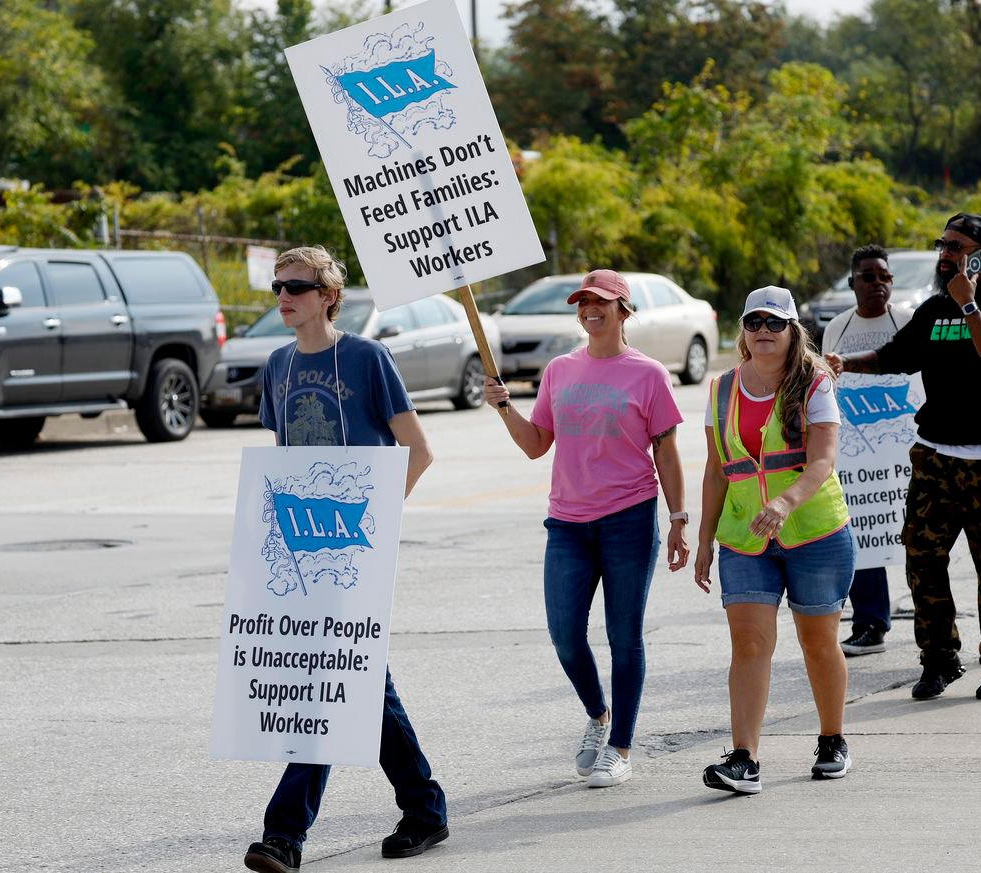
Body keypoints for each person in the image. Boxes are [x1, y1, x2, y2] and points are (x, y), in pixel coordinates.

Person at [243, 246, 447, 873]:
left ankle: (284, 835)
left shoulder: (366, 358)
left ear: (328, 295)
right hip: (299, 550)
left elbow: (418, 448)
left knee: (328, 683)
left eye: (298, 286)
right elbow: (283, 463)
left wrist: (374, 523)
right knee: (357, 683)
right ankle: (425, 809)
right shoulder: (276, 366)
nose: (285, 295)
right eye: (278, 286)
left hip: (354, 545)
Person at [483, 268, 689, 789]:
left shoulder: (647, 374)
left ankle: (620, 746)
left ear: (623, 310)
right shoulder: (559, 370)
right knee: (565, 634)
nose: (589, 310)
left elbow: (665, 450)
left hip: (629, 517)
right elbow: (536, 444)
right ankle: (598, 717)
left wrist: (679, 520)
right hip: (569, 524)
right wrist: (505, 407)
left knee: (624, 636)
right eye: (582, 302)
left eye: (600, 301)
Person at [826, 213, 981, 701]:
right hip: (937, 459)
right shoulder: (933, 308)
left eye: (957, 247)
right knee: (923, 560)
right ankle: (939, 660)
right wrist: (848, 363)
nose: (945, 254)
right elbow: (897, 354)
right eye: (942, 244)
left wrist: (969, 306)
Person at [695, 286, 855, 796]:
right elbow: (717, 470)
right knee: (748, 645)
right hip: (745, 537)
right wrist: (703, 539)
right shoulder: (721, 389)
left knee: (818, 642)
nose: (763, 331)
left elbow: (823, 461)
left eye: (775, 323)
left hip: (814, 532)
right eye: (754, 322)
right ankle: (745, 759)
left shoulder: (815, 385)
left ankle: (832, 740)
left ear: (792, 332)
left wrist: (785, 504)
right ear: (743, 331)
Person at [821, 245, 913, 657]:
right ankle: (870, 623)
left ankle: (932, 625)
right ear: (851, 282)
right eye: (869, 277)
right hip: (857, 458)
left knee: (917, 539)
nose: (879, 285)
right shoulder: (836, 330)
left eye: (885, 277)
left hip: (907, 451)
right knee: (864, 535)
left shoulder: (909, 322)